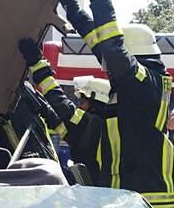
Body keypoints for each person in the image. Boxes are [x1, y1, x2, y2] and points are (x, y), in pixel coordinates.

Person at [54, 0, 174, 208]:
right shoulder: (132, 81)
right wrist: (72, 8)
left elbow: (111, 50)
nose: (106, 68)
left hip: (147, 204)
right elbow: (102, 46)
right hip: (129, 198)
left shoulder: (146, 81)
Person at [19, 38, 112, 185]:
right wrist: (46, 110)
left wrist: (38, 64)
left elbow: (61, 104)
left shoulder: (92, 124)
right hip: (94, 192)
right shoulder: (100, 130)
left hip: (92, 193)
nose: (79, 106)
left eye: (83, 101)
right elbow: (65, 130)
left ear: (96, 102)